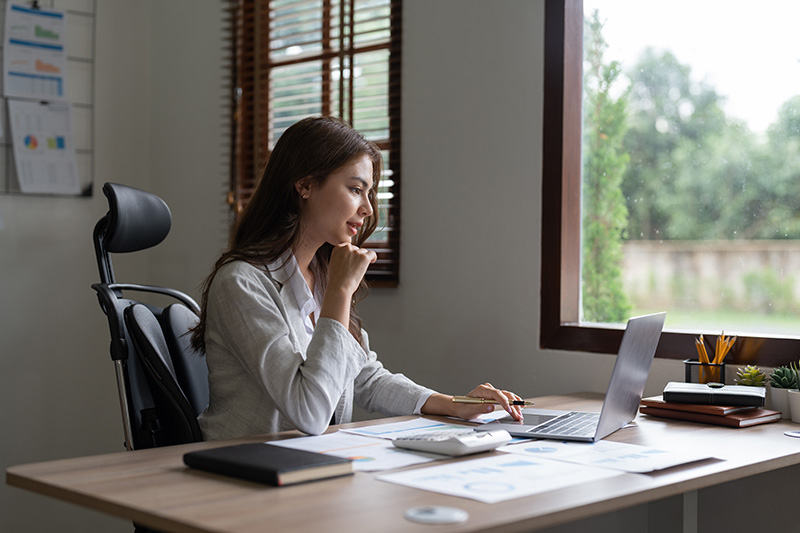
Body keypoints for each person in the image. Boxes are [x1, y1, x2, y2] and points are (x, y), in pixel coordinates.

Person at [190, 116, 524, 440]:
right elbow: (309, 413)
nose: (367, 209)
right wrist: (340, 290)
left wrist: (454, 404)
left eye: (369, 194)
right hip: (242, 473)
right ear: (304, 184)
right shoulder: (242, 283)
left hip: (312, 466)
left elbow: (364, 377)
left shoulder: (322, 276)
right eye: (355, 189)